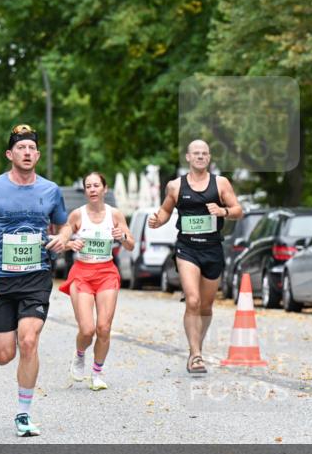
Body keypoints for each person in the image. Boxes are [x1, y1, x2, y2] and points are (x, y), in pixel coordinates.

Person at [0, 124, 69, 437]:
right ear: (9, 154)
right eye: (20, 148)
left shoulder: (50, 190)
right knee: (6, 353)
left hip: (36, 277)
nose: (26, 153)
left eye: (31, 149)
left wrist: (63, 238)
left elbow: (64, 226)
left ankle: (23, 415)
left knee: (29, 340)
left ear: (37, 155)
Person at [148, 140, 243, 374]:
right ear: (188, 158)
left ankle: (195, 348)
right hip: (187, 248)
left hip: (212, 249)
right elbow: (166, 211)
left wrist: (223, 211)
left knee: (207, 305)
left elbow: (238, 210)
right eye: (196, 154)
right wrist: (157, 220)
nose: (200, 157)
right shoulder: (175, 186)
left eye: (204, 154)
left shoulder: (220, 183)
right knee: (193, 300)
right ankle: (197, 355)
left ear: (209, 158)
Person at [57, 172, 134, 391]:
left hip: (106, 272)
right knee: (88, 329)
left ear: (104, 189)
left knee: (104, 327)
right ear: (85, 191)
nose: (92, 189)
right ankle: (80, 355)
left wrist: (123, 236)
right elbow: (62, 238)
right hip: (82, 273)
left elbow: (131, 245)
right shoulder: (77, 215)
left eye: (96, 185)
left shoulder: (115, 214)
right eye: (88, 186)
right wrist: (69, 244)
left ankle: (97, 373)